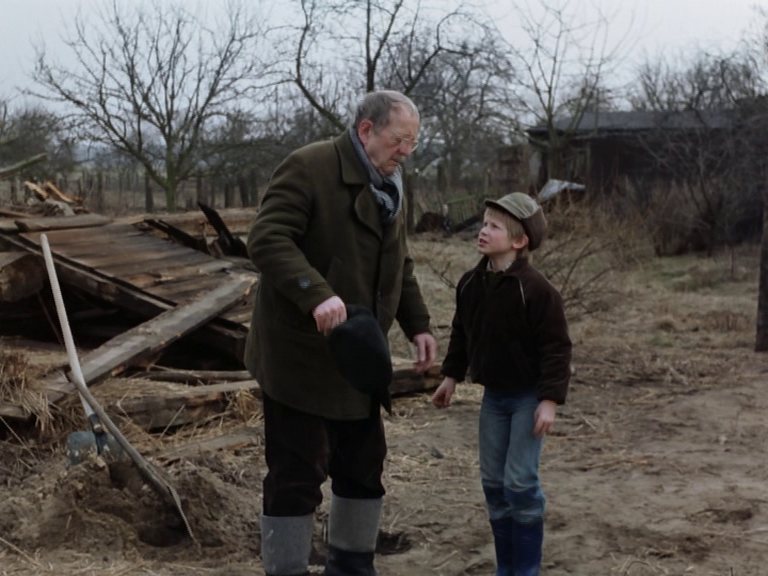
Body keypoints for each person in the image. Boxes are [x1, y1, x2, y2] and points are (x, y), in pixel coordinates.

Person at [245, 90, 438, 576]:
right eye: (399, 140)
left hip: (359, 355)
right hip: (300, 356)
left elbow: (399, 262)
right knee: (296, 475)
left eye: (413, 143)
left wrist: (417, 324)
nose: (406, 152)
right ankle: (286, 569)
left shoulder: (391, 185)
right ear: (367, 130)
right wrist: (316, 293)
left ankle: (352, 567)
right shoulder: (309, 167)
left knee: (363, 468)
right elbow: (267, 238)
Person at [432, 192, 571, 576]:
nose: (483, 231)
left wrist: (549, 400)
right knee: (494, 484)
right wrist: (451, 377)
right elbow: (461, 334)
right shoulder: (470, 284)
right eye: (484, 223)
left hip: (528, 398)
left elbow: (557, 348)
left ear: (520, 240)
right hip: (493, 399)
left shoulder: (537, 290)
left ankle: (525, 571)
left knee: (520, 483)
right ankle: (505, 569)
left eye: (494, 227)